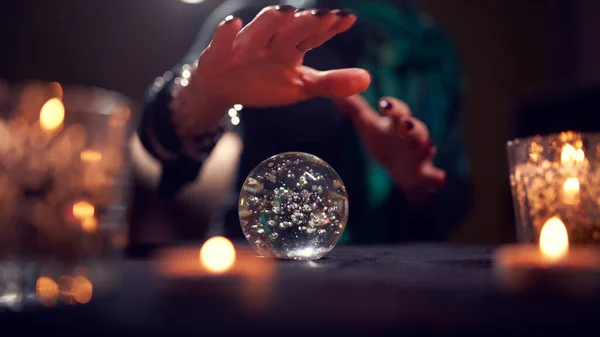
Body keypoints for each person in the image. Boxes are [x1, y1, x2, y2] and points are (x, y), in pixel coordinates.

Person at [136, 0, 471, 244]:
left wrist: (416, 185)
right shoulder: (267, 20)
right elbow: (162, 144)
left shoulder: (430, 47)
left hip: (397, 282)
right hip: (263, 272)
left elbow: (455, 192)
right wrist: (200, 99)